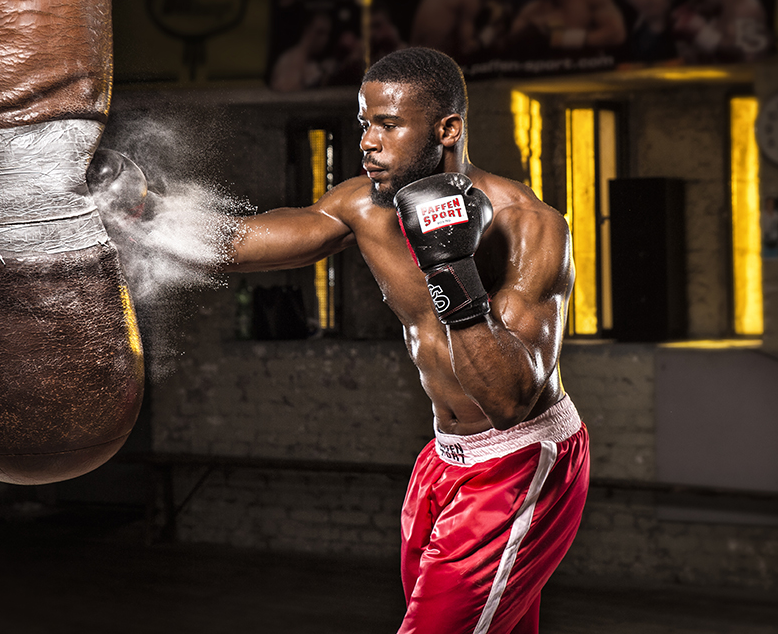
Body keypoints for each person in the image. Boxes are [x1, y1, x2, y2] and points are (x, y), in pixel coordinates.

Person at [226, 46, 590, 633]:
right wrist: (141, 213)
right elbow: (242, 243)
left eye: (388, 125)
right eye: (365, 123)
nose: (368, 141)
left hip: (520, 462)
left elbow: (508, 401)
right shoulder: (361, 207)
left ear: (447, 129)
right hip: (442, 460)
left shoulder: (530, 225)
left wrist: (451, 268)